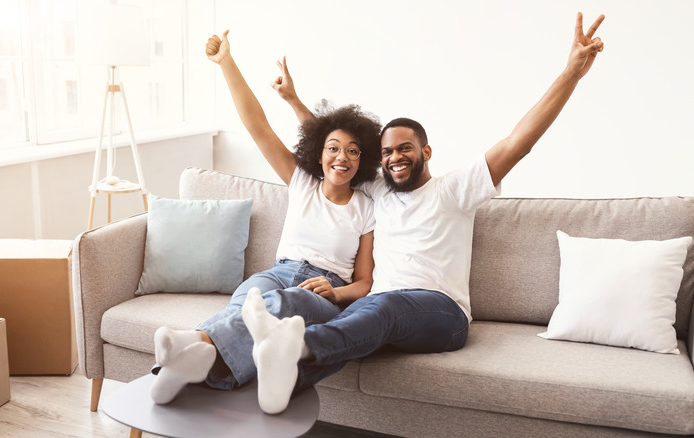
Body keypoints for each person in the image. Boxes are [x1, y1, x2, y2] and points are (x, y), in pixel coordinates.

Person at [241, 12, 606, 414]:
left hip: (441, 314)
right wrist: (294, 101)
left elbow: (518, 143)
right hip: (379, 307)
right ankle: (269, 389)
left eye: (404, 148)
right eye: (387, 152)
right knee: (362, 314)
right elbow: (335, 149)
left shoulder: (454, 190)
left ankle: (295, 344)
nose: (394, 157)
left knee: (382, 307)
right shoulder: (378, 191)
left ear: (425, 152)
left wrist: (571, 73)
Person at [149, 30, 383, 414]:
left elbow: (365, 283)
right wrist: (227, 62)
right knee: (248, 300)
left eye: (353, 152)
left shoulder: (367, 208)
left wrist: (335, 292)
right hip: (279, 271)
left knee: (284, 303)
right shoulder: (302, 182)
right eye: (334, 148)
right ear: (319, 153)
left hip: (326, 291)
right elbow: (257, 125)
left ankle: (190, 351)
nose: (343, 157)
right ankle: (188, 361)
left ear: (363, 160)